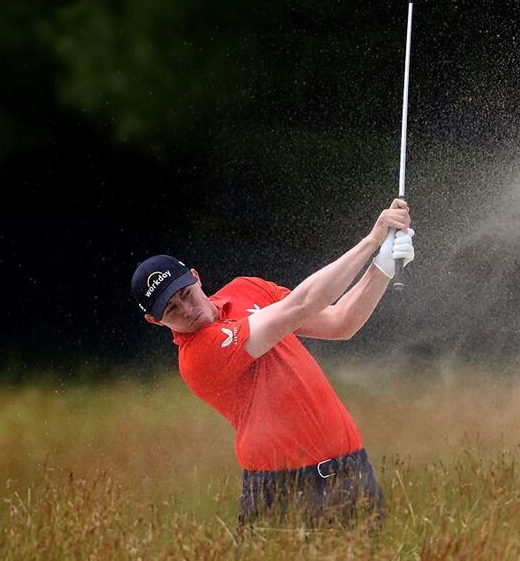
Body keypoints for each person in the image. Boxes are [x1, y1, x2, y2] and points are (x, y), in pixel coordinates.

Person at [130, 199, 414, 527]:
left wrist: (381, 267)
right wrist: (371, 242)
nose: (188, 310)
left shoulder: (245, 288)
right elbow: (301, 305)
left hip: (350, 470)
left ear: (195, 277)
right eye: (172, 310)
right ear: (155, 321)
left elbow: (340, 322)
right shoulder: (197, 356)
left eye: (186, 293)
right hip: (285, 491)